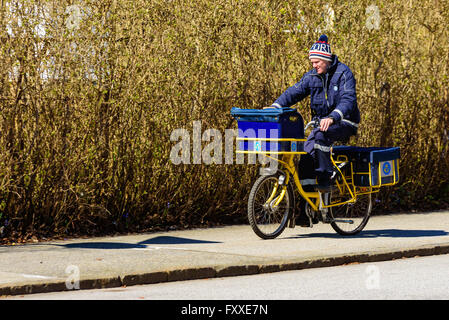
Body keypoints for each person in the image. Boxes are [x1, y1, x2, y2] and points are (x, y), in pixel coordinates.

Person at [269, 34, 360, 192]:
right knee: (305, 152)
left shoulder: (344, 73)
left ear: (326, 60)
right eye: (312, 62)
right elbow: (294, 92)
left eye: (317, 62)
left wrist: (333, 117)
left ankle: (326, 180)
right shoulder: (312, 76)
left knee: (320, 136)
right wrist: (275, 106)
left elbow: (348, 100)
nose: (314, 65)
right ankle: (308, 203)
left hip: (344, 122)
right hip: (321, 125)